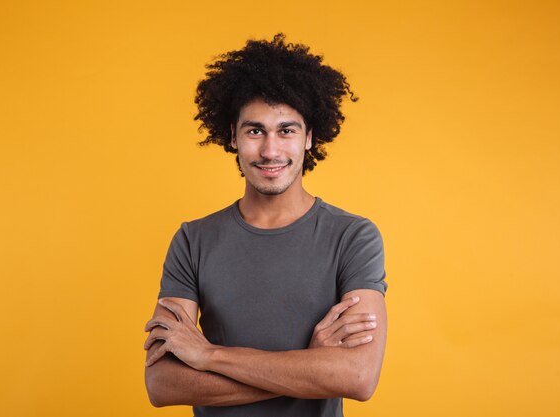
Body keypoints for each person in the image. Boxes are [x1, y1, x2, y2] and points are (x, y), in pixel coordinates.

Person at [143, 33, 388, 417]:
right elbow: (162, 383)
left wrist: (209, 355)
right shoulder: (193, 240)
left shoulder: (353, 237)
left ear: (309, 138)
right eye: (255, 130)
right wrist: (309, 367)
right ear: (232, 138)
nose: (270, 150)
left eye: (286, 130)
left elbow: (357, 375)